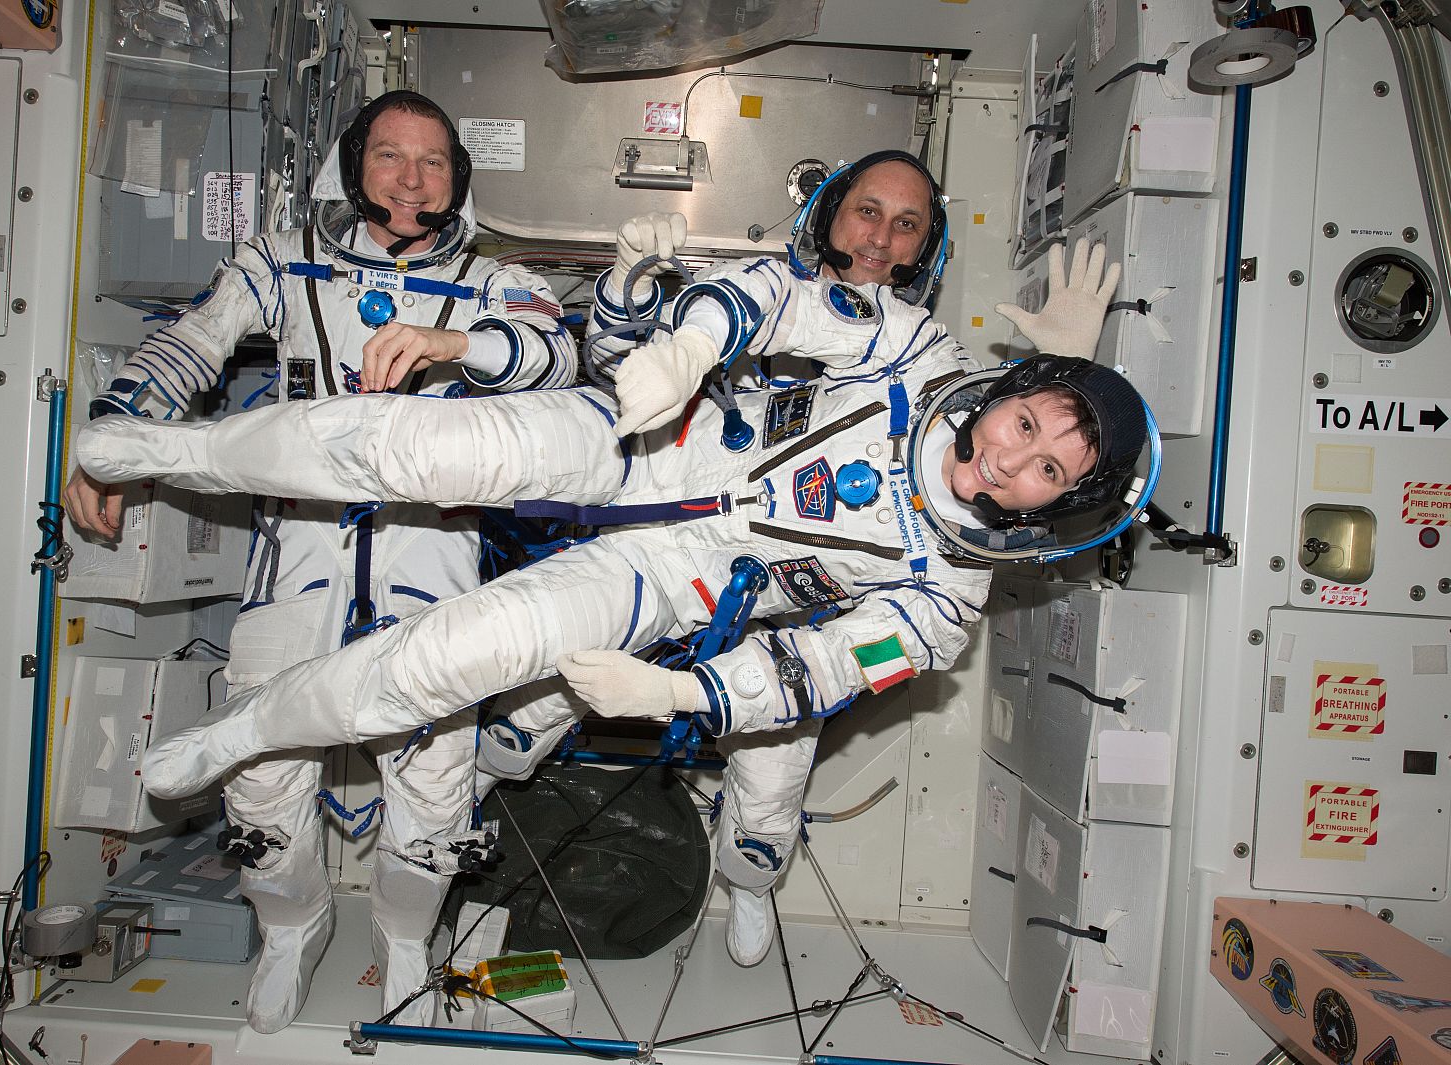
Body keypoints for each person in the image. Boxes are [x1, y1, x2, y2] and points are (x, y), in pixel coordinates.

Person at [74, 150, 1148, 994]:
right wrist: (683, 346)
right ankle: (173, 453)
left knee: (499, 676)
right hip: (656, 442)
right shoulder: (916, 353)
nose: (1009, 460)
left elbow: (824, 669)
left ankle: (745, 880)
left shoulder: (945, 603)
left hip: (709, 601)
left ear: (1052, 511)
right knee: (411, 446)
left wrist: (685, 693)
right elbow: (774, 302)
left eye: (1048, 472)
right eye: (1024, 425)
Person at [62, 91, 576, 1032]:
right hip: (298, 564)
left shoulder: (494, 281)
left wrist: (453, 342)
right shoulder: (281, 262)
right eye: (390, 156)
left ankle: (405, 934)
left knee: (434, 796)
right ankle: (293, 925)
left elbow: (554, 358)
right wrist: (109, 439)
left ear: (458, 177)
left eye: (433, 161)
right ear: (352, 167)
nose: (412, 180)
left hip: (431, 572)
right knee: (259, 783)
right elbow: (190, 344)